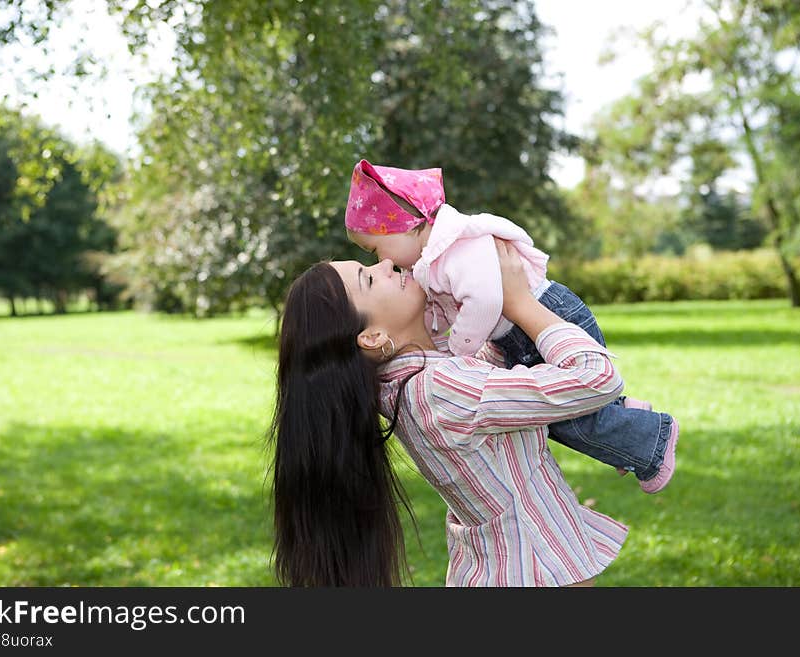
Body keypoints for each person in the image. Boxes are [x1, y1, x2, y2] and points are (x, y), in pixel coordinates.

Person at [269, 239, 629, 587]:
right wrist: (520, 303)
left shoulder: (407, 387)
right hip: (536, 569)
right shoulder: (439, 389)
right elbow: (596, 378)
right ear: (373, 336)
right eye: (369, 277)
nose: (386, 263)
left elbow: (491, 382)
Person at [344, 158, 679, 493]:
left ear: (404, 225)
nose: (383, 261)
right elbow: (450, 307)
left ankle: (653, 441)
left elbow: (486, 303)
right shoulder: (435, 259)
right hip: (518, 331)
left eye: (375, 249)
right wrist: (437, 325)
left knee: (570, 421)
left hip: (545, 313)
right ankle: (625, 417)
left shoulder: (457, 249)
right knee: (555, 414)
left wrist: (463, 351)